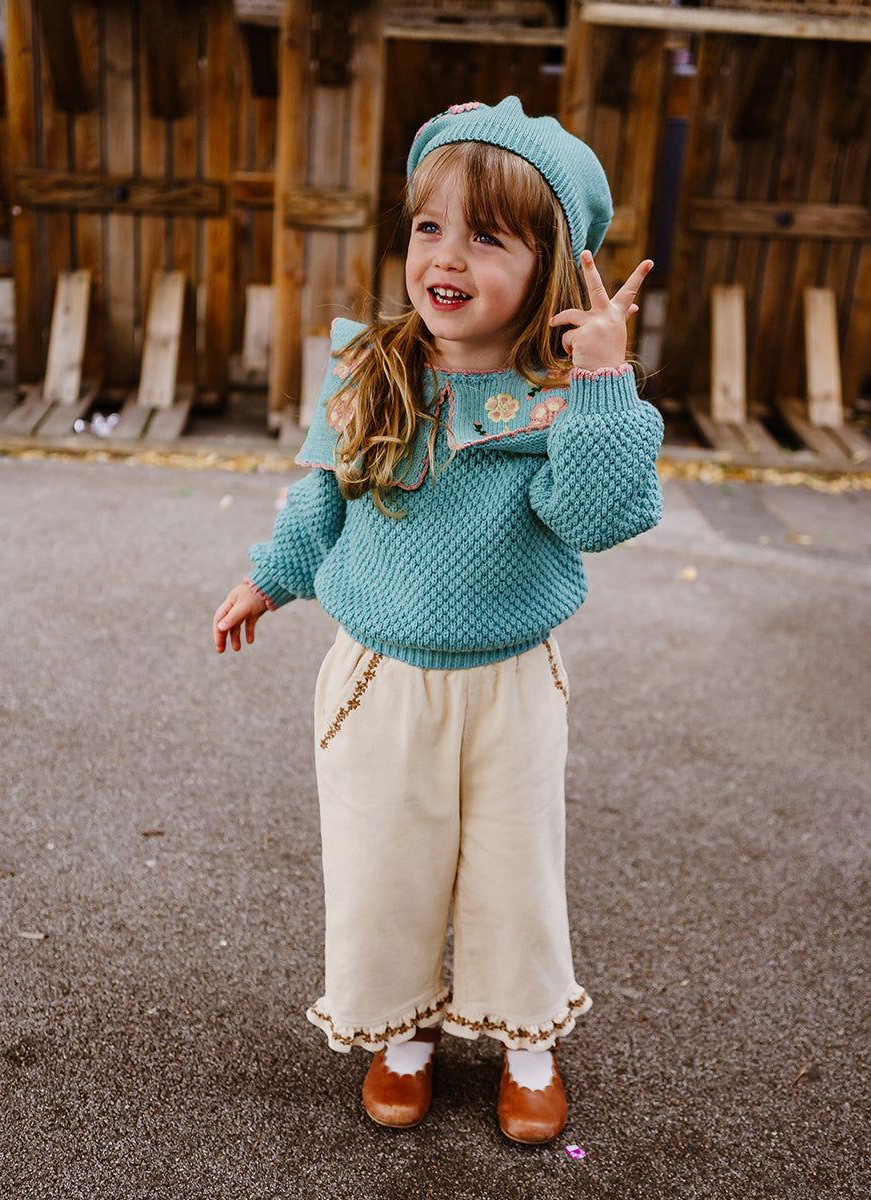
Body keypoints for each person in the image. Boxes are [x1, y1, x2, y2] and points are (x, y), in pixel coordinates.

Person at [213, 96, 664, 1144]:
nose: (446, 255)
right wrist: (271, 577)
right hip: (381, 676)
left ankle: (526, 1041)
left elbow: (597, 520)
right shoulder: (373, 367)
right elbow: (326, 493)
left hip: (512, 680)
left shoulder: (561, 399)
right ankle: (401, 1029)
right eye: (429, 226)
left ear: (549, 271)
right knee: (385, 862)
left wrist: (603, 382)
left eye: (488, 236)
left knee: (515, 869)